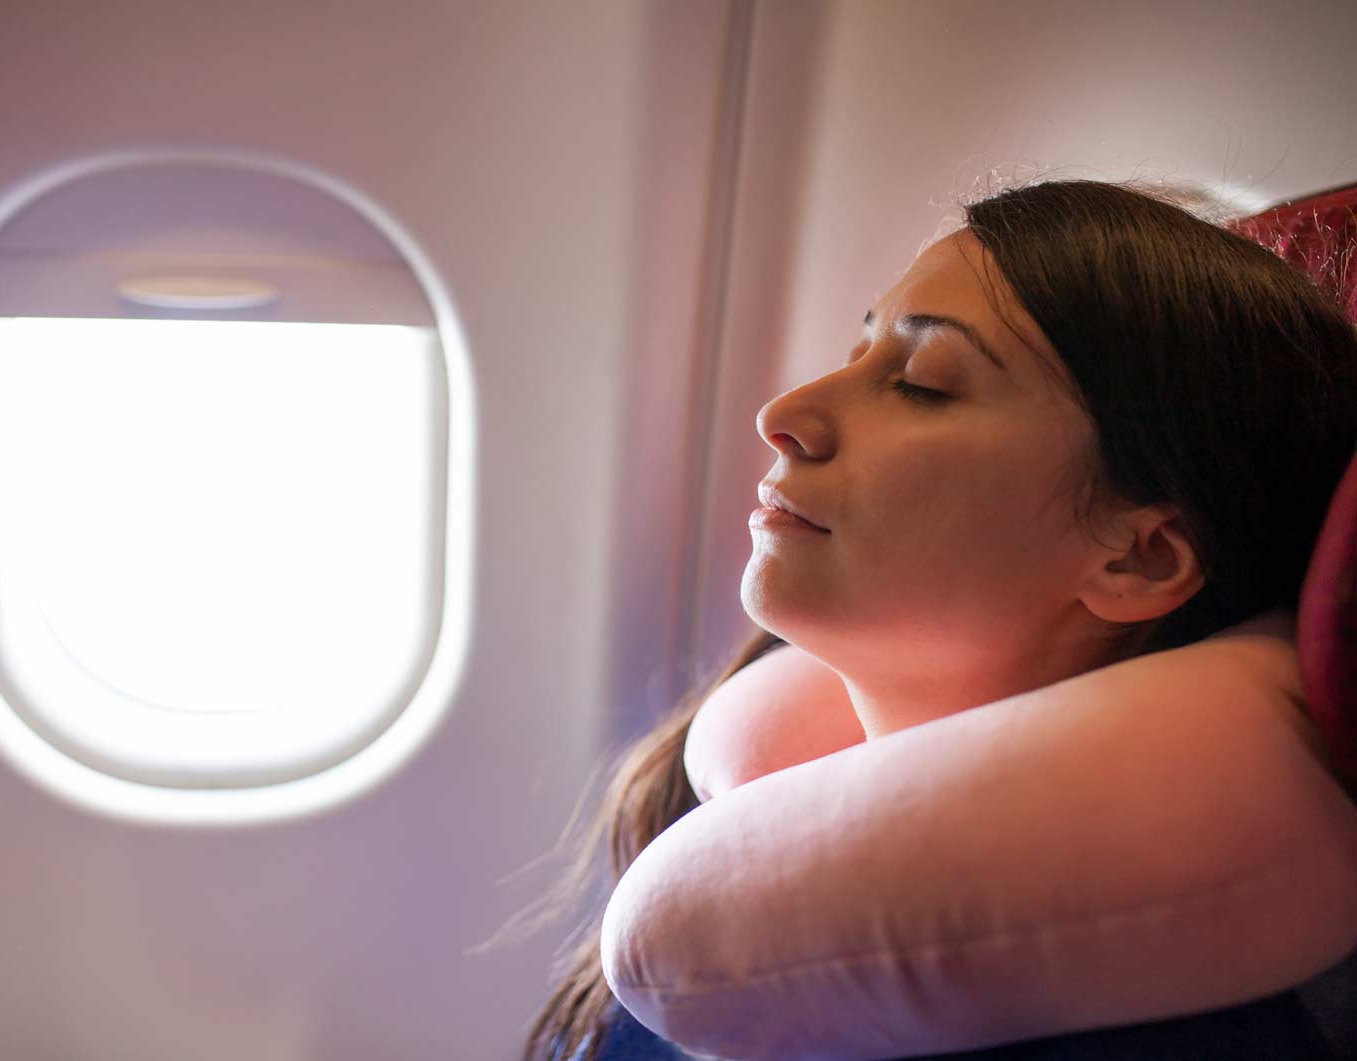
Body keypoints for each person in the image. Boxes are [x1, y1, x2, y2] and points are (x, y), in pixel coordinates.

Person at [522, 179, 1357, 1061]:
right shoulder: (724, 836)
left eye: (920, 384)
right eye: (857, 350)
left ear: (1136, 557)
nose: (784, 416)